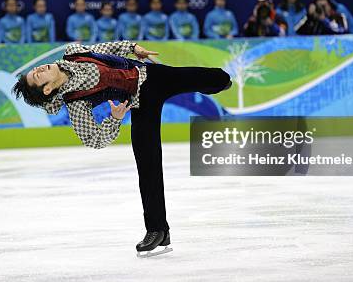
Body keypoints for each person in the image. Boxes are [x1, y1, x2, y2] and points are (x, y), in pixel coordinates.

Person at [12, 40, 232, 256]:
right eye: (37, 76)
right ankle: (158, 230)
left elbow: (107, 48)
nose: (38, 69)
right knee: (148, 165)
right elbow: (93, 139)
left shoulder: (73, 52)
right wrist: (114, 119)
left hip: (153, 76)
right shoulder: (75, 102)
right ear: (48, 88)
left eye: (35, 70)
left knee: (217, 78)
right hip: (138, 102)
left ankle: (222, 83)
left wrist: (133, 48)